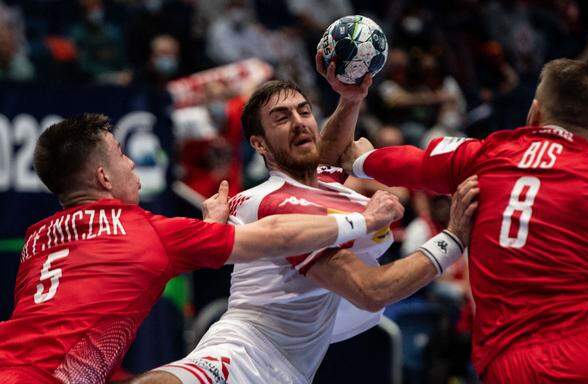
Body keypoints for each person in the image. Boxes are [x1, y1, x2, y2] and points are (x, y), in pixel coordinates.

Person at [131, 69, 478, 383]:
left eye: (304, 112)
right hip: (244, 353)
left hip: (291, 370)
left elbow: (326, 155)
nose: (298, 122)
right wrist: (454, 238)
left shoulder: (318, 186)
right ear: (259, 145)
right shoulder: (278, 203)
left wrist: (351, 99)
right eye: (281, 118)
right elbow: (371, 290)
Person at [0, 113, 402, 384]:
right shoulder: (145, 230)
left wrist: (209, 229)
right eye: (123, 155)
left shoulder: (36, 240)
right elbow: (274, 234)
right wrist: (363, 221)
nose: (133, 165)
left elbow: (74, 319)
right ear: (104, 177)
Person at [338, 58, 588, 382]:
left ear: (534, 112)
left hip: (509, 365)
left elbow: (409, 161)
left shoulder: (487, 155)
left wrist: (361, 161)